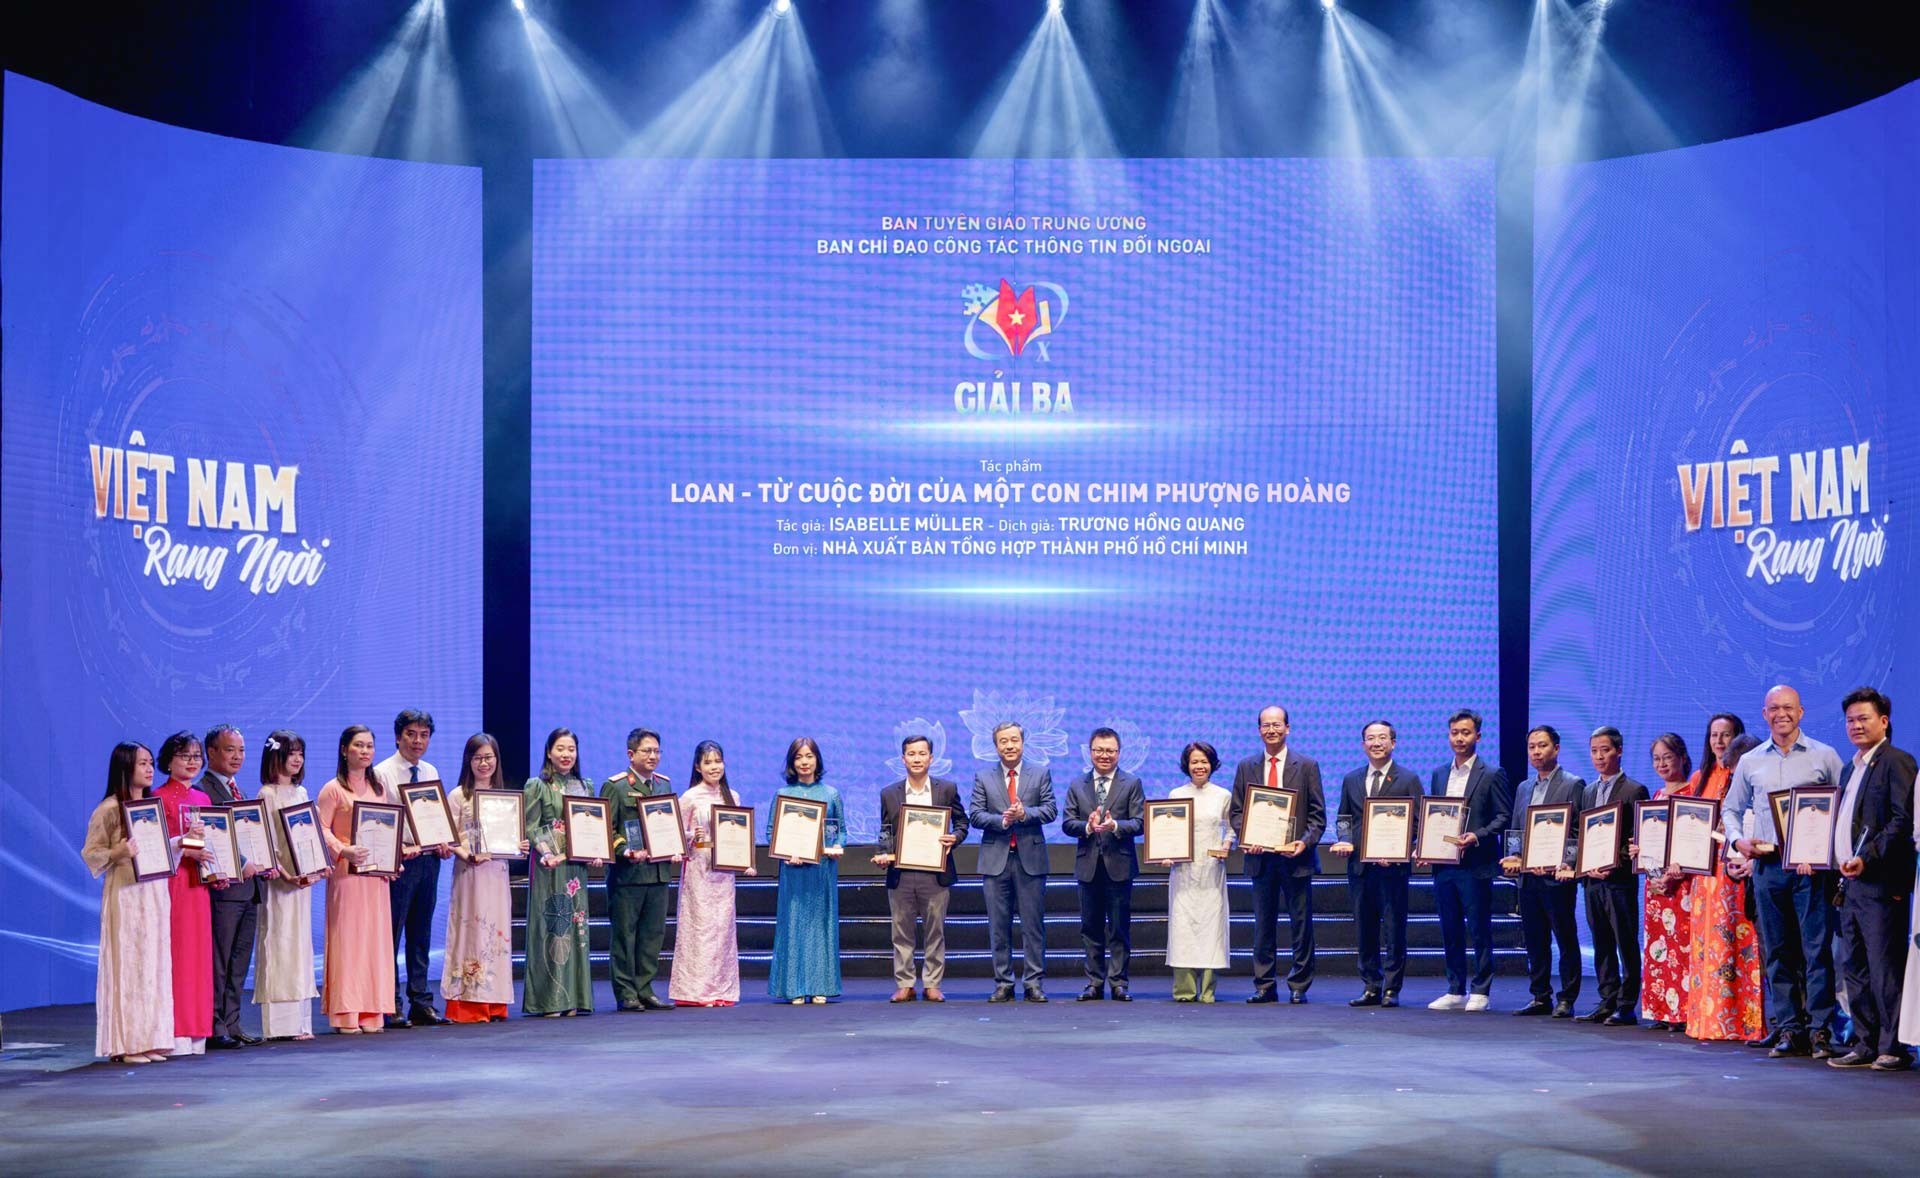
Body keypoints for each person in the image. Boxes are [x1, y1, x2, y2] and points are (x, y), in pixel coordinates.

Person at [1723, 684, 1846, 1058]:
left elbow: (1842, 812)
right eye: (1774, 708)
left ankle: (1820, 1029)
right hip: (1768, 866)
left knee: (1816, 949)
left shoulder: (1824, 757)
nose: (1782, 714)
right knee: (1777, 951)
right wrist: (1736, 840)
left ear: (1801, 712)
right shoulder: (1750, 761)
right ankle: (1790, 1029)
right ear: (1765, 715)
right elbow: (1731, 808)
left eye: (1788, 708)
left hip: (1811, 870)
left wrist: (1827, 854)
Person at [1827, 688, 1915, 1070]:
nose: (1856, 725)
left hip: (1881, 883)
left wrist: (1867, 857)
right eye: (1850, 720)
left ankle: (1892, 1046)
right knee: (1855, 968)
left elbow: (1901, 821)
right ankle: (1864, 1043)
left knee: (1885, 967)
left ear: (1884, 721)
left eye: (1864, 718)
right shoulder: (1852, 766)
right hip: (1851, 886)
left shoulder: (1897, 762)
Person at [82, 741, 176, 1063]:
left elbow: (160, 850)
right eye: (142, 764)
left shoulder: (151, 807)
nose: (150, 769)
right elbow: (91, 853)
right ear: (125, 767)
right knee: (129, 964)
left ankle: (151, 1038)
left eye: (151, 763)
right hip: (125, 893)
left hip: (152, 892)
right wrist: (117, 853)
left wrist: (184, 840)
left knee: (152, 963)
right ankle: (127, 1043)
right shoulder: (109, 809)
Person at [1229, 706, 1326, 1004]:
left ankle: (1299, 985)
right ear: (1259, 730)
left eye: (1277, 725)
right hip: (1261, 859)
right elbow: (1236, 812)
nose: (1271, 730)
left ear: (1288, 728)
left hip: (1295, 858)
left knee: (1301, 924)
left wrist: (1305, 842)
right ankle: (1264, 985)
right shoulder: (1247, 766)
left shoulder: (1307, 765)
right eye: (1265, 725)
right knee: (1263, 925)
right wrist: (1247, 837)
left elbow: (1317, 816)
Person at [1329, 721, 1423, 1007]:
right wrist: (1344, 840)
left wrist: (1401, 850)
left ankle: (1392, 988)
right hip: (1360, 866)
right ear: (1363, 745)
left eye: (1382, 738)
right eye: (1370, 738)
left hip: (1392, 868)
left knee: (1394, 928)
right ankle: (1371, 985)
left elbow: (1418, 823)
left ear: (1393, 743)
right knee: (1365, 928)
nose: (1376, 743)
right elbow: (1344, 818)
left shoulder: (1408, 779)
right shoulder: (1352, 779)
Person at [1683, 722, 1766, 1043]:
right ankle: (1709, 1019)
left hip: (1737, 871)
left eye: (1725, 735)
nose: (1718, 741)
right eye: (1713, 735)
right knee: (1709, 947)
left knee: (1740, 945)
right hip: (1707, 873)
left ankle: (1742, 1021)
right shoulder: (1703, 778)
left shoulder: (1749, 777)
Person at [1426, 710, 1511, 1012]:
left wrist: (1477, 835)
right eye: (1454, 732)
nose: (1459, 738)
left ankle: (1481, 989)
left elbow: (1504, 816)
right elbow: (1435, 816)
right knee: (1449, 927)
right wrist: (1425, 847)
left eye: (1465, 732)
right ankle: (1455, 988)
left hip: (1475, 864)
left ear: (1478, 736)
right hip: (1444, 864)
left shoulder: (1492, 773)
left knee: (1478, 927)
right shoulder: (1439, 774)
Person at [873, 734, 967, 1003]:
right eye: (911, 754)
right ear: (903, 759)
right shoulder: (889, 793)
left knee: (935, 930)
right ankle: (905, 983)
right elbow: (886, 832)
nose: (917, 758)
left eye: (922, 753)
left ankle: (932, 983)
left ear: (931, 758)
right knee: (901, 930)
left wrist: (955, 838)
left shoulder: (946, 789)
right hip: (900, 872)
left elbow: (962, 823)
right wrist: (882, 853)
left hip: (935, 872)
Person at [317, 725, 397, 1034]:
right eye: (358, 745)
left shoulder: (379, 788)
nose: (364, 751)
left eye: (369, 746)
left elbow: (389, 826)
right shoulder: (332, 789)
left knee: (374, 941)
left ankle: (371, 1010)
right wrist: (342, 849)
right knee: (349, 941)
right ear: (344, 749)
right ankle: (346, 1011)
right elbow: (321, 828)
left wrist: (393, 859)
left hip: (375, 875)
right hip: (347, 875)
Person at [1503, 725, 1587, 1018]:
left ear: (1557, 749)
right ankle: (1540, 996)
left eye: (1542, 746)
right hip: (1528, 876)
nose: (1536, 752)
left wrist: (1567, 862)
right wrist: (1513, 857)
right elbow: (1516, 828)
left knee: (1564, 937)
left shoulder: (1573, 783)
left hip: (1556, 877)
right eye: (1532, 747)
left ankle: (1567, 997)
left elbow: (1576, 830)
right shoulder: (1524, 787)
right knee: (1534, 939)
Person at [373, 709, 450, 1029]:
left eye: (424, 735)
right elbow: (377, 822)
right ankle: (390, 1003)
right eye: (411, 734)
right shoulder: (382, 773)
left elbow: (436, 818)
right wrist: (398, 850)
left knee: (421, 934)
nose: (418, 741)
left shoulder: (429, 770)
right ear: (398, 736)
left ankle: (421, 1001)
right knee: (391, 934)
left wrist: (444, 840)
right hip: (400, 862)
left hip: (429, 860)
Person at [970, 722, 1057, 1003]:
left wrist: (1024, 814)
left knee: (1033, 926)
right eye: (1003, 741)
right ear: (996, 746)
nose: (1009, 746)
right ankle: (1004, 983)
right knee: (999, 925)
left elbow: (1050, 810)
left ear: (1023, 742)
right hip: (995, 859)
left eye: (1014, 740)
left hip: (1030, 859)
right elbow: (975, 814)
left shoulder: (1040, 773)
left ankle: (1033, 983)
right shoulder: (983, 776)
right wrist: (1002, 820)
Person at [443, 733, 524, 1024]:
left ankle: (495, 1003)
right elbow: (449, 838)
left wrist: (519, 845)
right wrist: (468, 855)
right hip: (470, 874)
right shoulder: (458, 796)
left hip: (497, 874)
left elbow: (512, 838)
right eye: (478, 757)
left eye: (489, 757)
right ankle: (468, 1004)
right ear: (468, 760)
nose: (484, 763)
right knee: (470, 931)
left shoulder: (504, 797)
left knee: (496, 934)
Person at [1061, 726, 1144, 1002]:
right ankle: (1094, 982)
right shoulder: (1077, 785)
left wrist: (1115, 825)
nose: (1104, 755)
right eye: (1099, 750)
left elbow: (1140, 822)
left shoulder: (1131, 783)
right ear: (1090, 752)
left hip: (1119, 865)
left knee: (1119, 927)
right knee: (1090, 927)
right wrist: (1087, 827)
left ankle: (1119, 983)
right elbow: (1067, 823)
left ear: (1119, 753)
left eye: (1110, 751)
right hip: (1088, 867)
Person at [601, 728, 679, 1013]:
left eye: (657, 751)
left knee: (652, 936)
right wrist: (624, 851)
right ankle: (626, 993)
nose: (653, 756)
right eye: (647, 751)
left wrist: (676, 845)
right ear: (630, 754)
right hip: (628, 876)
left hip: (658, 873)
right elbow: (606, 830)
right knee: (625, 936)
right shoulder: (616, 786)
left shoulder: (663, 786)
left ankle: (645, 989)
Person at [671, 740, 755, 1006]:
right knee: (701, 929)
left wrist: (746, 862)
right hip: (699, 868)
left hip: (723, 871)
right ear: (698, 766)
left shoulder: (733, 797)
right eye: (708, 762)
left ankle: (722, 990)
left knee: (722, 930)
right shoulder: (690, 797)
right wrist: (690, 835)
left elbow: (739, 837)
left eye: (718, 761)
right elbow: (675, 836)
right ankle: (695, 992)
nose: (714, 766)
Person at [523, 727, 600, 1016]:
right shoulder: (538, 785)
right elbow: (531, 826)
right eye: (561, 749)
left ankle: (575, 999)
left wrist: (596, 852)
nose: (566, 754)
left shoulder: (585, 786)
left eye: (571, 749)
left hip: (574, 868)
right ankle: (549, 1001)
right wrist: (547, 852)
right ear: (548, 752)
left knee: (576, 929)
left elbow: (592, 827)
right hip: (548, 866)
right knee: (551, 927)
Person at [197, 724, 265, 1048]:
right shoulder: (204, 791)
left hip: (250, 889)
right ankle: (214, 1024)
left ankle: (233, 1022)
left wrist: (267, 860)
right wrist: (243, 861)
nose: (237, 756)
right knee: (220, 961)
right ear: (211, 753)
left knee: (239, 961)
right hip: (225, 891)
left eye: (241, 750)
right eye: (229, 750)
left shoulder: (241, 791)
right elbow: (214, 839)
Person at [1578, 727, 1649, 1026]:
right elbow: (1583, 835)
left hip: (1618, 880)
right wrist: (1586, 865)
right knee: (1601, 941)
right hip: (1593, 880)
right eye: (1594, 750)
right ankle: (1607, 999)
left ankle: (1627, 1004)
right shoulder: (1588, 791)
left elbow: (1637, 839)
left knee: (1625, 942)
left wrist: (1614, 863)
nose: (1599, 756)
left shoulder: (1634, 790)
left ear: (1619, 751)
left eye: (1605, 750)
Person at [767, 737, 845, 1004]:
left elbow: (840, 832)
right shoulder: (782, 795)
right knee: (793, 923)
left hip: (821, 869)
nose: (804, 762)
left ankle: (820, 984)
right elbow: (770, 833)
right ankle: (794, 987)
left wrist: (835, 846)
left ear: (817, 760)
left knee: (820, 924)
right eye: (799, 757)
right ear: (792, 762)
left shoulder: (831, 794)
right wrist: (786, 853)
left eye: (809, 756)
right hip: (793, 870)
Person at [255, 731, 321, 1041]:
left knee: (299, 945)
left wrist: (318, 867)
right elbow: (265, 843)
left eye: (300, 753)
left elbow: (311, 837)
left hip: (302, 882)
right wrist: (283, 873)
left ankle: (301, 1021)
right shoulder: (266, 794)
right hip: (279, 883)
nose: (297, 759)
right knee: (279, 942)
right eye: (291, 753)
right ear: (275, 756)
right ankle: (280, 1025)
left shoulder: (302, 791)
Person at [154, 730, 214, 1055]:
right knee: (177, 956)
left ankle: (197, 1032)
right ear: (168, 760)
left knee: (198, 958)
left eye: (196, 757)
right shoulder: (158, 797)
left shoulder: (203, 799)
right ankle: (175, 1030)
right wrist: (185, 849)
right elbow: (156, 846)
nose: (191, 762)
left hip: (198, 886)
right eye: (184, 756)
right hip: (173, 884)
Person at [1162, 742, 1233, 1003]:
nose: (1199, 766)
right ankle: (1184, 989)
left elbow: (1233, 827)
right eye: (1194, 762)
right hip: (1183, 871)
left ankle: (1208, 990)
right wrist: (1166, 852)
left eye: (1204, 761)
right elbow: (1167, 830)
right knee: (1183, 927)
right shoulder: (1176, 794)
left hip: (1212, 869)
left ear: (1212, 764)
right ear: (1186, 765)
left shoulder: (1223, 795)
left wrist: (1226, 845)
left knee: (1211, 927)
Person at [1637, 733, 1696, 1031]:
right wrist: (1638, 853)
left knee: (1681, 947)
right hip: (1656, 886)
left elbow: (1696, 843)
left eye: (1668, 757)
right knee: (1658, 948)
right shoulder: (1656, 797)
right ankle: (1660, 1009)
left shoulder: (1694, 793)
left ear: (1683, 758)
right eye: (1657, 759)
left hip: (1682, 885)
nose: (1661, 764)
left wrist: (1675, 873)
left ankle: (1682, 1011)